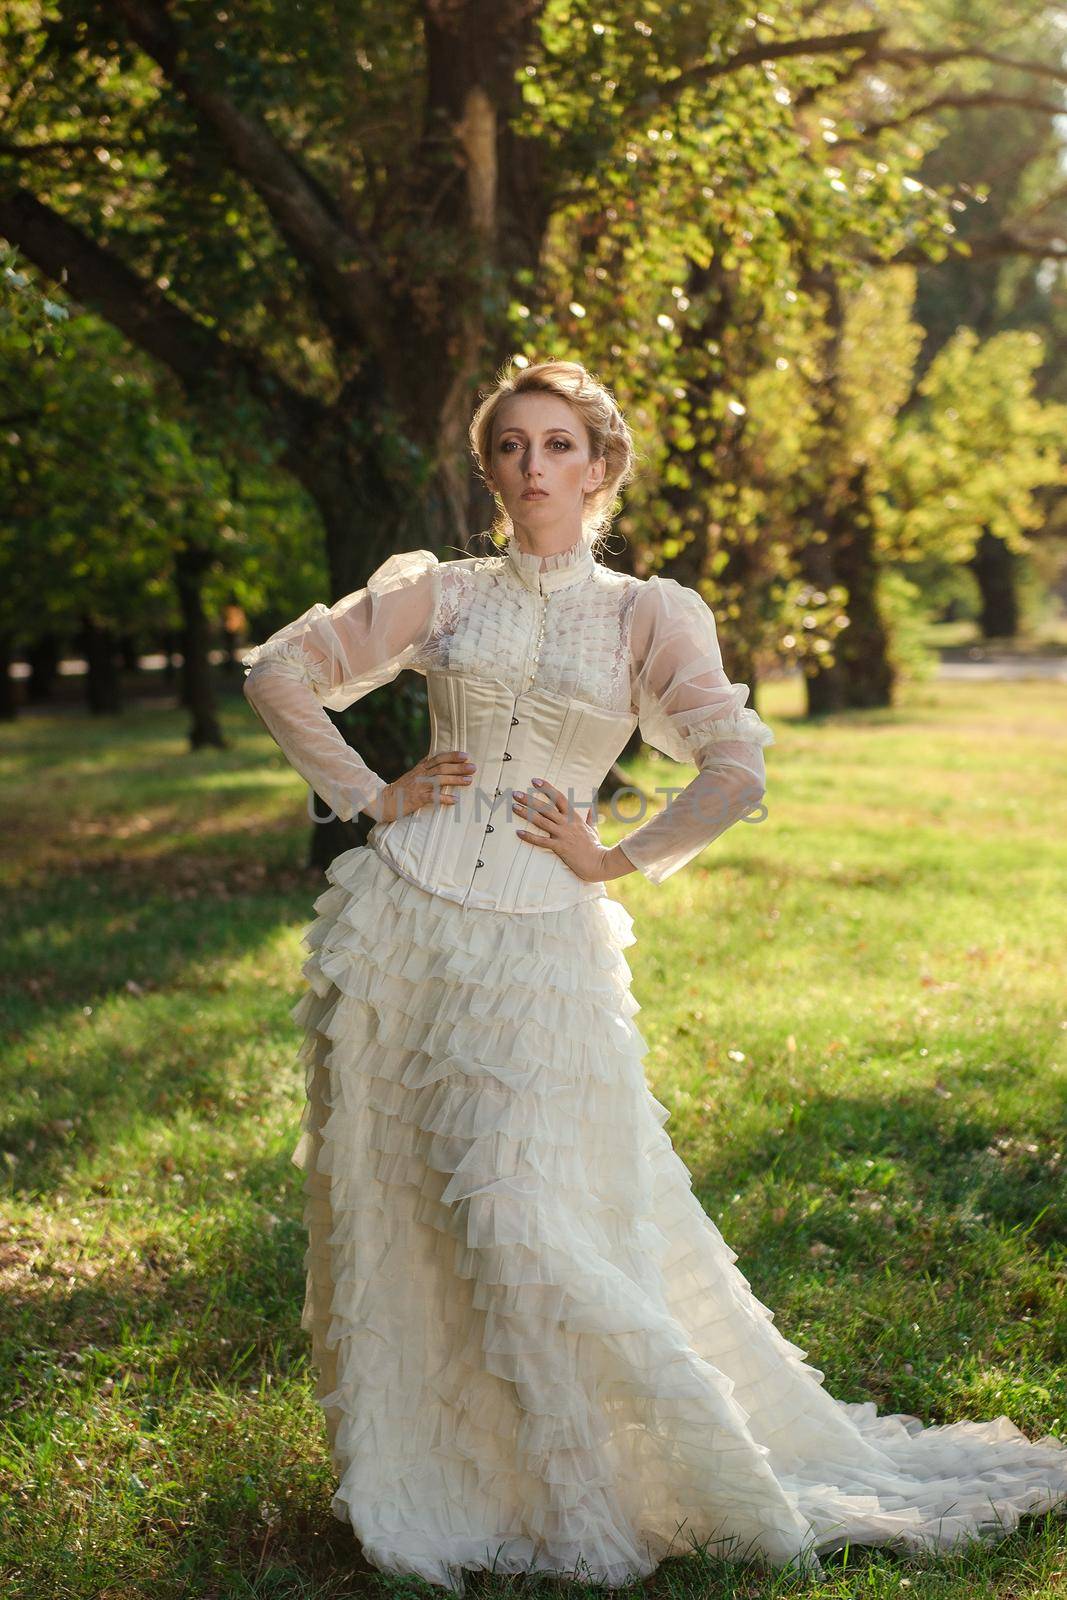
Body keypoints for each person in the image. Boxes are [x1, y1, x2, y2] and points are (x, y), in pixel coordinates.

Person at [243, 359, 1067, 1592]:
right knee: (415, 1206)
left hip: (541, 939)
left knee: (524, 1203)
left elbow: (734, 763)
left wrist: (616, 853)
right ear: (489, 469)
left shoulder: (645, 614)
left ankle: (607, 1473)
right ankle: (471, 1478)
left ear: (600, 466)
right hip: (405, 922)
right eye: (511, 445)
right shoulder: (444, 593)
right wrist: (371, 796)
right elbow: (277, 673)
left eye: (558, 445)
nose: (533, 466)